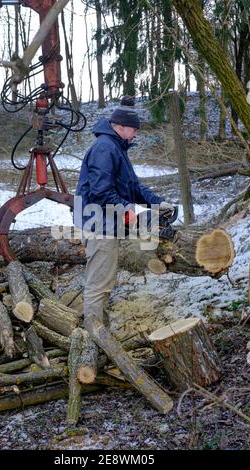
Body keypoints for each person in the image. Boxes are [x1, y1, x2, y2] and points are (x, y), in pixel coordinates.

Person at [75, 96, 172, 328]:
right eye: (134, 129)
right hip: (99, 224)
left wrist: (158, 202)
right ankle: (94, 338)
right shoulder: (104, 149)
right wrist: (125, 210)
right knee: (99, 285)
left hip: (107, 222)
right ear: (119, 127)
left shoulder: (116, 148)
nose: (136, 134)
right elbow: (100, 191)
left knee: (104, 282)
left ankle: (100, 332)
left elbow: (134, 187)